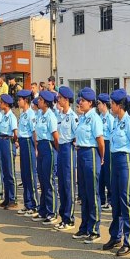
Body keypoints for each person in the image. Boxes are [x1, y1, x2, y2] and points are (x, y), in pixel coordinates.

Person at [104, 88, 130, 256]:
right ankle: (115, 236)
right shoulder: (116, 121)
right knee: (116, 201)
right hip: (115, 161)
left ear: (119, 105)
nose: (110, 106)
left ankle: (129, 240)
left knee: (126, 201)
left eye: (112, 104)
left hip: (126, 161)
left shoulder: (129, 122)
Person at [73, 87, 104, 243]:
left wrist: (101, 158)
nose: (80, 103)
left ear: (90, 102)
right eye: (80, 100)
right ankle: (84, 226)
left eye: (83, 101)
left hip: (91, 153)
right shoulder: (83, 117)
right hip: (81, 153)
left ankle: (94, 229)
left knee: (92, 193)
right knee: (84, 193)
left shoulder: (94, 119)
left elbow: (100, 141)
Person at [53, 86, 78, 227]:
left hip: (68, 148)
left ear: (66, 100)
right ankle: (63, 216)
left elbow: (76, 136)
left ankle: (70, 218)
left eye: (60, 98)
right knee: (61, 183)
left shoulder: (72, 117)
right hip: (61, 148)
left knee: (68, 184)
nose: (59, 100)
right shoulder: (60, 115)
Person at [33, 90, 59, 222]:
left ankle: (52, 211)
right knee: (42, 180)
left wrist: (56, 151)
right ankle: (42, 210)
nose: (38, 101)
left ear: (46, 102)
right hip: (41, 147)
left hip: (49, 147)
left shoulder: (50, 116)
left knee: (49, 180)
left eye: (41, 100)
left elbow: (55, 137)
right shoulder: (40, 115)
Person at [16, 90, 39, 216]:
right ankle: (27, 203)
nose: (18, 101)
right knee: (24, 176)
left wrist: (36, 148)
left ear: (26, 100)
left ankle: (34, 205)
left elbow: (34, 132)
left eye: (20, 99)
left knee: (30, 175)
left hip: (29, 143)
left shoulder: (31, 114)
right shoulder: (23, 114)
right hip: (23, 144)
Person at [0, 94, 18, 209]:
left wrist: (13, 142)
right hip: (2, 140)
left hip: (8, 141)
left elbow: (15, 133)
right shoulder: (3, 115)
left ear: (6, 104)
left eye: (1, 102)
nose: (0, 104)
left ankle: (13, 199)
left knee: (10, 172)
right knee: (4, 171)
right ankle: (7, 198)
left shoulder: (11, 117)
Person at [97, 93, 115, 212]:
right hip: (100, 144)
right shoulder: (99, 117)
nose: (97, 106)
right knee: (101, 173)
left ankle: (110, 200)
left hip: (108, 144)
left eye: (99, 103)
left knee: (108, 173)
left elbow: (113, 135)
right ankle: (102, 199)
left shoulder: (110, 118)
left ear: (104, 105)